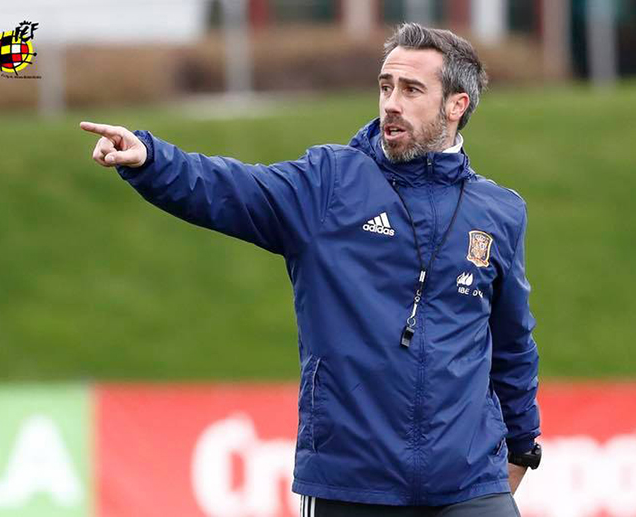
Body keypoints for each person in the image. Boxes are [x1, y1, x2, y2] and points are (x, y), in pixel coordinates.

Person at [80, 23, 541, 517]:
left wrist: (521, 445)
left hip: (469, 484)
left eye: (411, 90)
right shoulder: (329, 184)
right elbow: (229, 189)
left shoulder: (499, 212)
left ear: (456, 106)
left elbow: (512, 342)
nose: (391, 103)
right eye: (386, 87)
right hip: (352, 484)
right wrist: (150, 159)